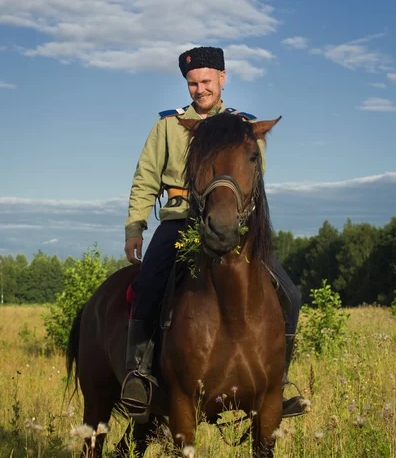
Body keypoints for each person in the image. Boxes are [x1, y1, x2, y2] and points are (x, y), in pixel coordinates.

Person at [122, 46, 306, 423]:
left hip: (233, 225)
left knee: (289, 293)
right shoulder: (168, 126)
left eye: (206, 81)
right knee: (148, 286)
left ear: (222, 78)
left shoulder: (242, 125)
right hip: (179, 222)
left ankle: (279, 381)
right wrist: (135, 228)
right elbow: (145, 180)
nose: (199, 89)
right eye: (192, 83)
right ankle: (139, 375)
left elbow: (256, 178)